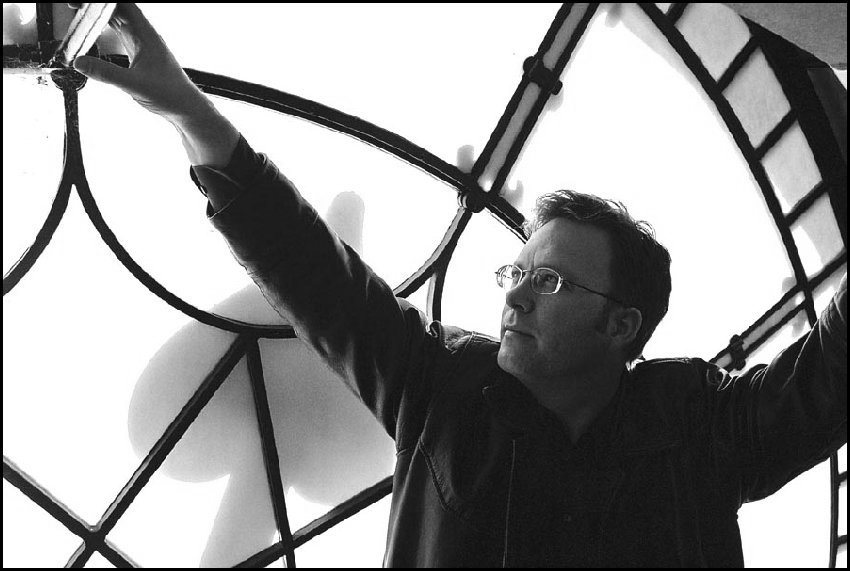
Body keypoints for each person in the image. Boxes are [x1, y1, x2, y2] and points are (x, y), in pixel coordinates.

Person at [70, 4, 847, 567]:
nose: (513, 297)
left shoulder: (451, 395)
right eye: (517, 272)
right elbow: (314, 276)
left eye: (548, 279)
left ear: (622, 325)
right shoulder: (692, 435)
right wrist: (191, 115)